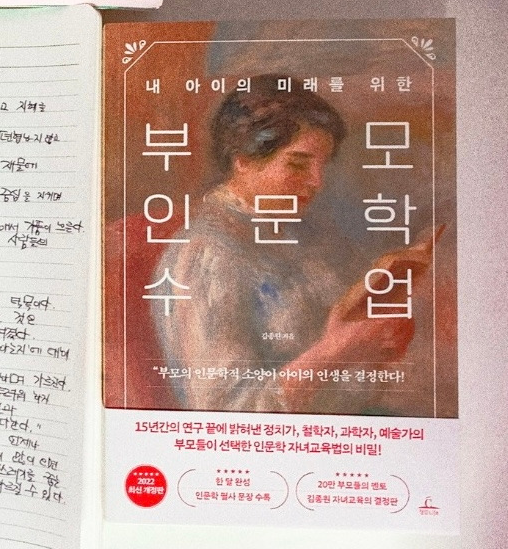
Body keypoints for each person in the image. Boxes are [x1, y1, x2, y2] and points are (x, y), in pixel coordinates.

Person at [151, 75, 434, 415]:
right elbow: (227, 409)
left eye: (321, 166)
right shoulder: (204, 255)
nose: (316, 182)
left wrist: (372, 347)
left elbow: (350, 383)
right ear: (243, 160)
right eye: (298, 164)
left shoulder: (310, 235)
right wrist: (335, 352)